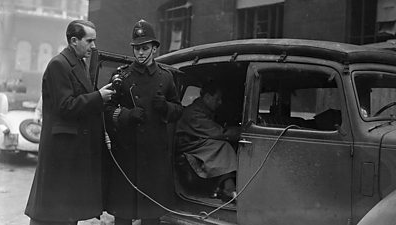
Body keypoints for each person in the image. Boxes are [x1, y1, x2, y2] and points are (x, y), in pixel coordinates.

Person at [25, 20, 115, 225]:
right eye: (89, 40)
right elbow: (65, 106)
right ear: (74, 41)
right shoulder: (59, 64)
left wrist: (99, 97)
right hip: (61, 151)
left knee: (64, 212)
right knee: (51, 213)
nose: (93, 46)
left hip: (69, 150)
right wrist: (98, 97)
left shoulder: (77, 63)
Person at [104, 19, 183, 225]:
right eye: (137, 48)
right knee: (123, 214)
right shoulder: (122, 76)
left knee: (151, 216)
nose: (140, 53)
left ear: (155, 49)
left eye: (145, 48)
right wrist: (126, 115)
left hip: (153, 156)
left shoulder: (166, 78)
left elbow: (178, 111)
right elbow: (106, 109)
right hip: (127, 154)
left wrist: (165, 106)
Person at [175, 82, 240, 202]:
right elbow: (219, 133)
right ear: (207, 97)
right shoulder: (194, 113)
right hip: (188, 146)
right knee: (223, 146)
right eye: (217, 99)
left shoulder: (204, 110)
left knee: (226, 145)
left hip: (198, 142)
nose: (220, 102)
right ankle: (228, 188)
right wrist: (240, 132)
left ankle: (225, 186)